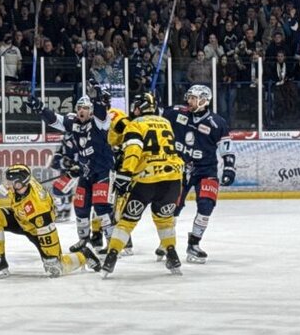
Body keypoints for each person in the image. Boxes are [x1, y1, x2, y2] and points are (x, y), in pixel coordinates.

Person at [101, 92, 184, 277]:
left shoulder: (135, 124)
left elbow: (133, 149)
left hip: (146, 180)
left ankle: (111, 257)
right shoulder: (165, 123)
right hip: (172, 179)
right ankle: (172, 254)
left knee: (127, 221)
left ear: (138, 108)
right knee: (165, 220)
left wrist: (125, 173)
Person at [27, 94, 115, 253]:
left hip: (103, 170)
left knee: (101, 206)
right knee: (80, 206)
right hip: (86, 172)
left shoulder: (99, 123)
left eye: (86, 108)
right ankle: (83, 240)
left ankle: (112, 243)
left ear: (91, 111)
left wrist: (98, 98)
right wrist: (40, 108)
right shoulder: (73, 123)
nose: (82, 111)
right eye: (80, 108)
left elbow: (102, 114)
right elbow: (55, 119)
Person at [159, 85, 236, 263]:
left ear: (203, 100)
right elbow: (156, 112)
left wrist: (229, 168)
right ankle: (166, 242)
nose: (189, 101)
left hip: (206, 170)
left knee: (206, 206)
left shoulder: (217, 123)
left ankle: (193, 244)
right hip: (180, 168)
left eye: (193, 98)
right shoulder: (177, 113)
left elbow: (227, 149)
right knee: (172, 207)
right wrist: (150, 101)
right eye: (190, 97)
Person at [0, 164, 100, 279]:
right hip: (22, 219)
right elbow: (21, 175)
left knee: (55, 267)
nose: (7, 185)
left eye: (10, 183)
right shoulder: (23, 184)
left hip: (39, 230)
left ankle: (84, 255)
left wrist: (50, 257)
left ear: (19, 184)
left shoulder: (39, 209)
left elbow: (45, 228)